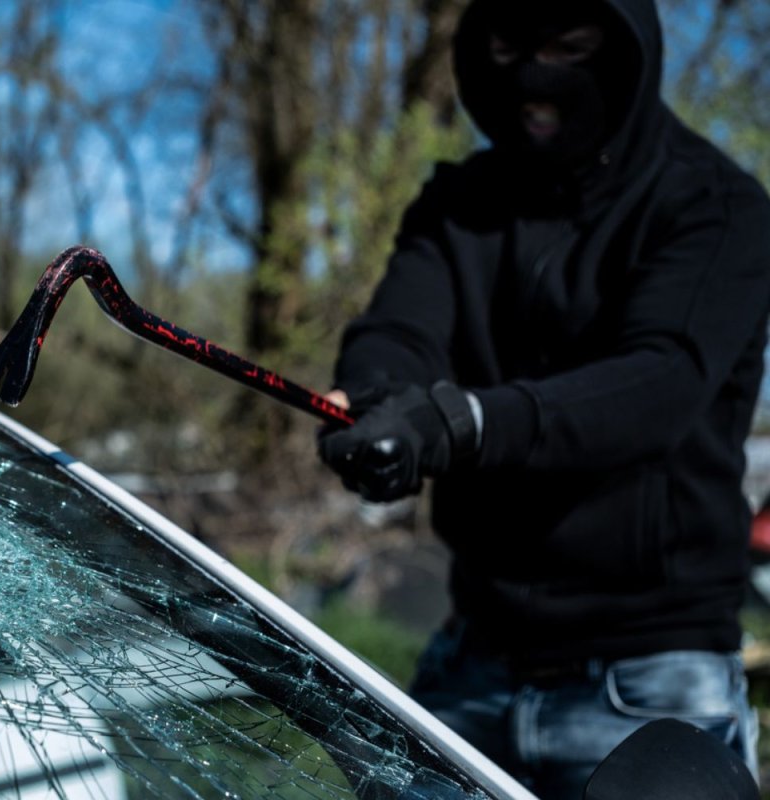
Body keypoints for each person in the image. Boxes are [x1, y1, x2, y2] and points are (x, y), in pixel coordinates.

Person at [316, 0, 770, 797]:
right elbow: (396, 330)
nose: (534, 75)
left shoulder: (717, 207)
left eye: (570, 46)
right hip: (471, 664)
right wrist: (380, 404)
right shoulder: (457, 205)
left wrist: (464, 425)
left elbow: (659, 380)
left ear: (629, 48)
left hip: (650, 689)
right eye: (508, 45)